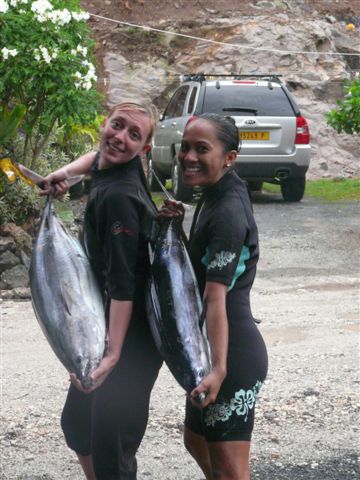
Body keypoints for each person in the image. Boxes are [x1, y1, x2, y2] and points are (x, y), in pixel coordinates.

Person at [41, 101, 163, 480]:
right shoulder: (116, 165)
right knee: (78, 426)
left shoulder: (120, 198)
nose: (120, 138)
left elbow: (124, 284)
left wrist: (110, 354)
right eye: (117, 125)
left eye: (133, 135)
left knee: (112, 450)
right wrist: (64, 173)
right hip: (109, 325)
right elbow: (95, 158)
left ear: (143, 150)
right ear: (105, 124)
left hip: (132, 339)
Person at [160, 113, 268, 480]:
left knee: (230, 469)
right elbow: (205, 266)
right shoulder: (218, 190)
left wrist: (219, 369)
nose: (189, 156)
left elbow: (214, 297)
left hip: (233, 353)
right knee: (195, 440)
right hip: (215, 349)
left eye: (201, 149)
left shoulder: (226, 210)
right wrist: (177, 228)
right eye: (185, 147)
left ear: (230, 158)